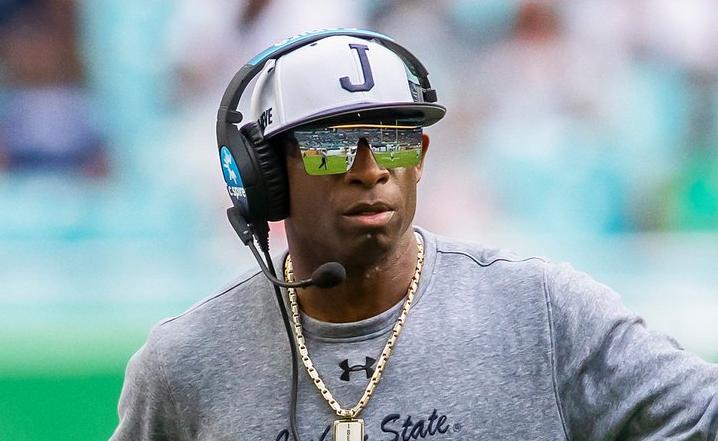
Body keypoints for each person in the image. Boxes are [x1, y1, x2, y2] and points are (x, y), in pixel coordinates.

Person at [111, 30, 718, 441]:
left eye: (396, 139)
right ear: (264, 177)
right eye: (332, 145)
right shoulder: (182, 365)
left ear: (421, 156)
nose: (371, 168)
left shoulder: (543, 311)